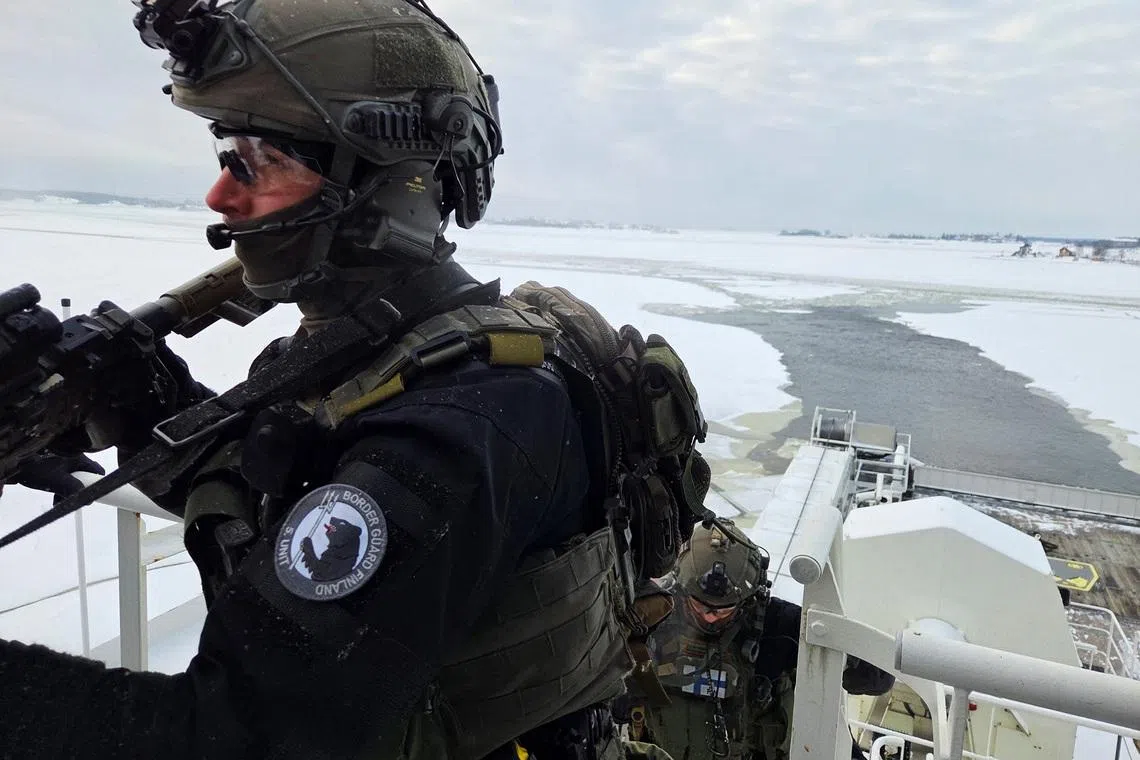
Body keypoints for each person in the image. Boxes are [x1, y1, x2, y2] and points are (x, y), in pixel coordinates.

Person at [0, 1, 711, 758]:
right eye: (226, 154)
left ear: (379, 182)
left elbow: (234, 738)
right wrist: (150, 405)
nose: (221, 196)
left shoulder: (463, 426)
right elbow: (270, 499)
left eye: (258, 162)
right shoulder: (363, 358)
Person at [613, 520, 895, 760]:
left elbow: (879, 678)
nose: (711, 617)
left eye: (724, 609)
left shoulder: (778, 627)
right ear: (679, 588)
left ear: (750, 597)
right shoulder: (648, 619)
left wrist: (845, 656)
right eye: (701, 606)